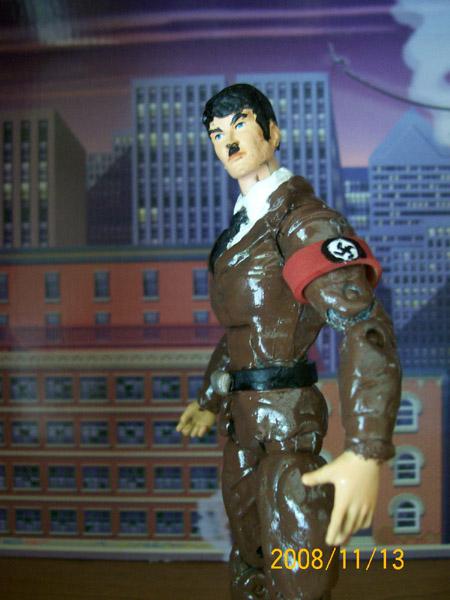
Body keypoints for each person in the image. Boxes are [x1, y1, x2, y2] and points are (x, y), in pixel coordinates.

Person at [177, 84, 401, 600]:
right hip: (242, 429)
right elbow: (242, 332)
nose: (229, 140)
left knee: (297, 570)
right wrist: (209, 399)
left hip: (287, 433)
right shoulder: (240, 231)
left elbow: (363, 324)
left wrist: (366, 449)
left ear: (272, 133)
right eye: (217, 133)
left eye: (240, 124)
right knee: (249, 562)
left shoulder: (301, 221)